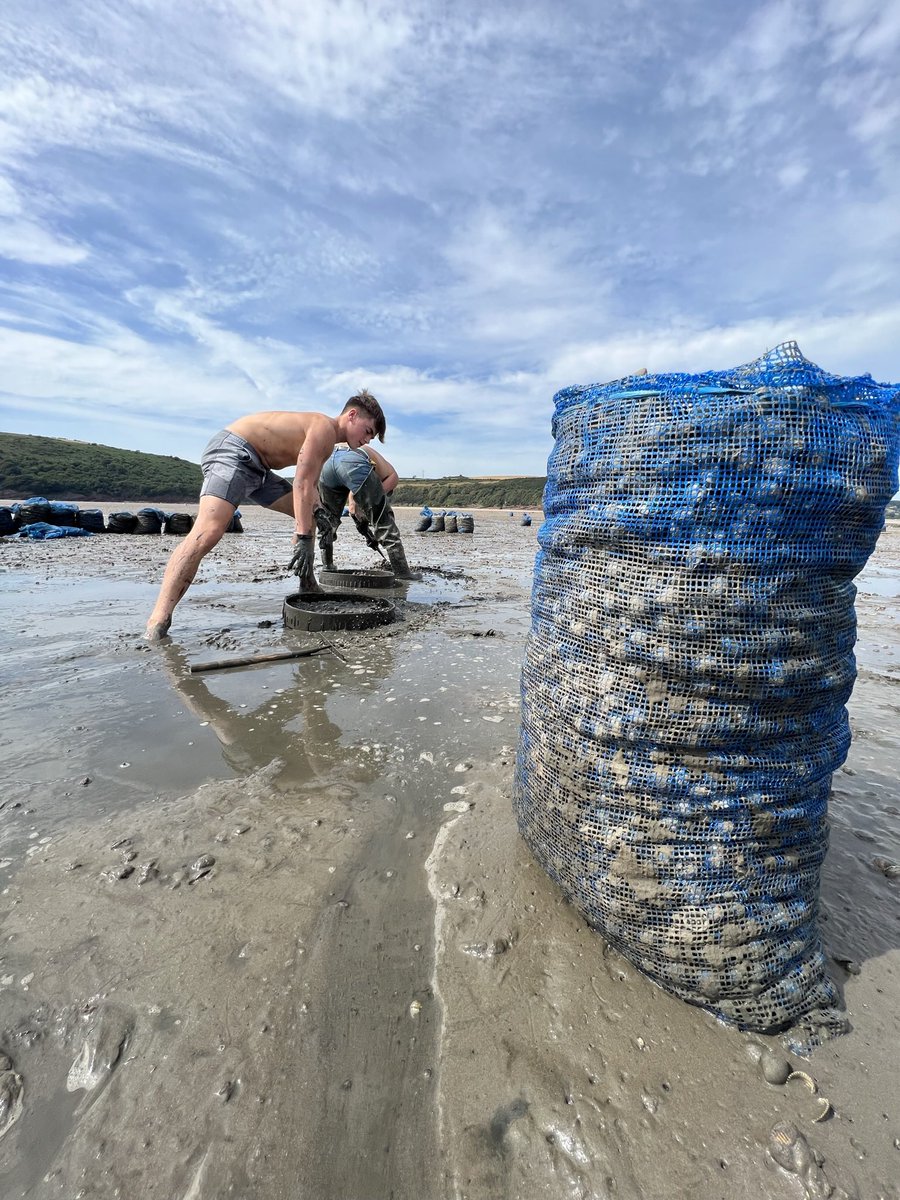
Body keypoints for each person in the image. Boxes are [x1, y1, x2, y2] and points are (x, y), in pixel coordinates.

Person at [144, 390, 386, 640]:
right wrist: (303, 541)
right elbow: (301, 483)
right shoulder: (323, 428)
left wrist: (319, 514)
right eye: (368, 431)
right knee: (209, 531)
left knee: (310, 516)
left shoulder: (328, 443)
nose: (368, 440)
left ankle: (307, 583)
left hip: (260, 469)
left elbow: (309, 489)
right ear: (352, 415)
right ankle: (159, 619)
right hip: (234, 452)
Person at [315, 443, 420, 579]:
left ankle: (327, 566)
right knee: (383, 521)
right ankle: (403, 573)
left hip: (326, 462)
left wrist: (366, 532)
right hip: (351, 461)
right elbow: (374, 501)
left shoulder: (370, 466)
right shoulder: (391, 476)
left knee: (329, 521)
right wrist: (373, 522)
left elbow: (353, 509)